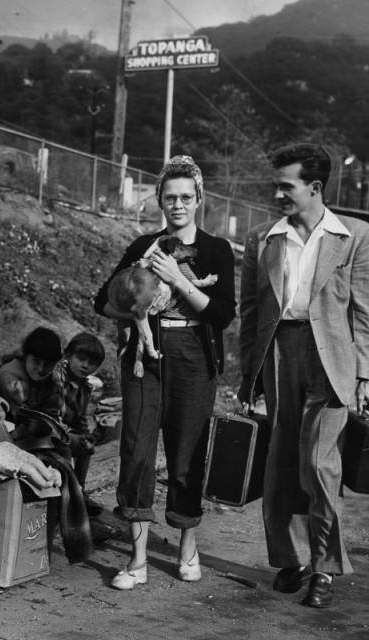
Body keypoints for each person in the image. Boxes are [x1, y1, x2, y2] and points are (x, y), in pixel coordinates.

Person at [94, 155, 235, 590]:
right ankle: (137, 559)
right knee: (136, 448)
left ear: (199, 200)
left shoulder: (216, 249)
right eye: (169, 197)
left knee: (187, 450)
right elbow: (103, 300)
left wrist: (178, 278)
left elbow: (223, 314)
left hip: (194, 351)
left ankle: (186, 546)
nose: (177, 205)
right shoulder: (143, 246)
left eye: (185, 198)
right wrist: (134, 303)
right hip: (145, 355)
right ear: (158, 200)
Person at [239, 143, 369, 608]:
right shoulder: (262, 239)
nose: (278, 194)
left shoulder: (354, 235)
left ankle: (325, 568)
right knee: (282, 464)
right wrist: (247, 377)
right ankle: (290, 561)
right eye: (276, 185)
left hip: (332, 358)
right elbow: (250, 314)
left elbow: (364, 312)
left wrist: (365, 375)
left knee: (318, 462)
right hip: (279, 353)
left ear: (314, 188)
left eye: (285, 185)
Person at [53, 332, 106, 514]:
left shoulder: (84, 387)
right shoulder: (57, 376)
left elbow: (81, 418)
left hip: (66, 432)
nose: (85, 366)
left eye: (91, 363)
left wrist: (86, 436)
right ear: (69, 356)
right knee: (67, 446)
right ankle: (67, 496)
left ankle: (79, 491)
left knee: (86, 445)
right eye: (81, 359)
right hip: (50, 429)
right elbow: (53, 410)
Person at [0, 327, 64, 430]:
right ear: (25, 356)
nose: (41, 369)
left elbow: (52, 418)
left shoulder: (53, 382)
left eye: (48, 364)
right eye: (36, 361)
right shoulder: (9, 377)